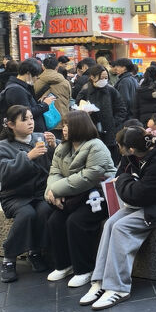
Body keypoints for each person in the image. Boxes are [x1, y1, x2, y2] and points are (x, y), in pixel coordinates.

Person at [79, 125, 156, 309]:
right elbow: (124, 174)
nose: (119, 151)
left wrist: (122, 181)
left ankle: (118, 287)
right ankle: (100, 281)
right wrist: (125, 180)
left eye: (121, 147)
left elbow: (136, 193)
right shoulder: (132, 153)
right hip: (145, 201)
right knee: (111, 223)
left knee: (122, 227)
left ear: (131, 148)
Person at [44, 110, 116, 287]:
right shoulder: (63, 147)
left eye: (67, 125)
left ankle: (84, 269)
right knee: (55, 221)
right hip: (73, 195)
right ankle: (64, 265)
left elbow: (88, 177)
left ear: (79, 126)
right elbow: (54, 172)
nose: (64, 128)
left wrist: (55, 190)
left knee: (76, 222)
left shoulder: (95, 146)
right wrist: (53, 191)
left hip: (98, 196)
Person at [0, 105, 55, 281]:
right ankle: (9, 258)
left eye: (32, 118)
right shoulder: (2, 147)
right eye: (24, 119)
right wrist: (28, 157)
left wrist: (53, 146)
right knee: (27, 214)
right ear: (11, 124)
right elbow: (5, 174)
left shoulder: (40, 137)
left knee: (45, 211)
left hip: (39, 193)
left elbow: (52, 166)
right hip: (14, 196)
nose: (30, 123)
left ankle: (35, 251)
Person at [75, 64, 127, 161]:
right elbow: (76, 111)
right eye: (101, 78)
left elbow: (121, 109)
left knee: (110, 159)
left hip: (110, 133)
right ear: (92, 77)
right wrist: (85, 114)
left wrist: (113, 122)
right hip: (90, 132)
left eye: (106, 78)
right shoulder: (85, 91)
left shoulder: (111, 91)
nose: (104, 80)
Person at [0, 58, 50, 132]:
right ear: (28, 73)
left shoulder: (21, 87)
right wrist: (44, 105)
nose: (36, 79)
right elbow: (25, 113)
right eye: (36, 76)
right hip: (25, 134)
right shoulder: (16, 90)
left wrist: (40, 102)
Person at [33, 54, 72, 131]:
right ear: (57, 67)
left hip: (44, 120)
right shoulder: (65, 82)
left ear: (43, 67)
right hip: (62, 119)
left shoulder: (36, 82)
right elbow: (69, 98)